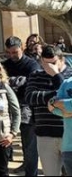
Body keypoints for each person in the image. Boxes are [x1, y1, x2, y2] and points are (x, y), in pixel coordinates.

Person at [24, 44, 72, 176]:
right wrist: (55, 98)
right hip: (45, 134)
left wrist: (57, 76)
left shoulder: (70, 75)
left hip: (68, 134)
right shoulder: (36, 75)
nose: (49, 67)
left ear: (62, 59)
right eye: (45, 64)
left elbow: (69, 98)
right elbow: (30, 97)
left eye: (53, 63)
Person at [1, 36, 41, 177]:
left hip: (26, 107)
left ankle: (31, 173)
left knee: (29, 145)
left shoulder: (32, 65)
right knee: (4, 142)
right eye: (9, 53)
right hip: (7, 108)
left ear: (22, 49)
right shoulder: (5, 65)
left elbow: (32, 86)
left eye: (15, 52)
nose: (12, 56)